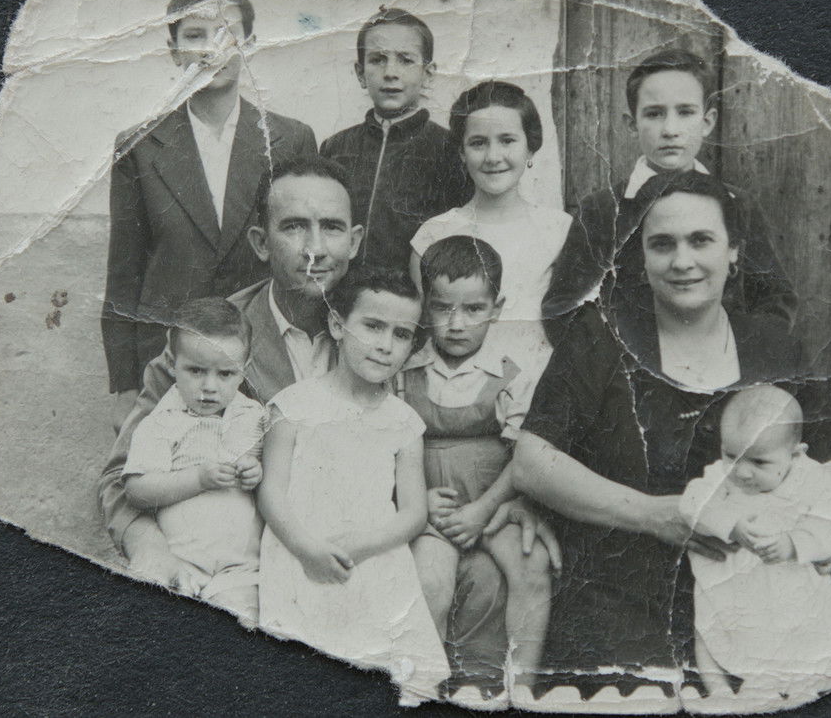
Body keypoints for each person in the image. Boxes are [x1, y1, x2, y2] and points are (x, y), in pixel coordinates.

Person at [97, 157, 514, 683]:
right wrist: (152, 548)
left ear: (356, 240)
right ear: (261, 242)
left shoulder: (391, 329)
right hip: (257, 545)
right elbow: (121, 474)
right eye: (294, 227)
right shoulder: (216, 339)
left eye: (332, 228)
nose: (315, 248)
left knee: (457, 582)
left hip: (372, 537)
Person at [510, 170, 805, 699]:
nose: (683, 261)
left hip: (746, 596)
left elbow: (808, 472)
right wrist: (653, 515)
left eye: (701, 241)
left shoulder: (771, 349)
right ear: (641, 259)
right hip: (618, 596)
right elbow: (533, 459)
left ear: (734, 251)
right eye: (662, 244)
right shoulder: (602, 334)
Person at [102, 0, 317, 427]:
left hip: (263, 352)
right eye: (195, 35)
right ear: (173, 50)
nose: (211, 48)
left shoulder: (291, 139)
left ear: (251, 45)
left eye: (227, 34)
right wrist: (126, 384)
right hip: (169, 357)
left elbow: (301, 258)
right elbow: (124, 269)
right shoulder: (140, 145)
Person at [257, 266, 449, 700]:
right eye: (373, 326)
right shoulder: (293, 406)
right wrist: (309, 549)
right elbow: (270, 492)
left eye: (402, 335)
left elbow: (414, 512)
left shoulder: (403, 422)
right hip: (300, 551)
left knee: (382, 675)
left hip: (372, 556)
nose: (385, 345)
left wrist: (358, 548)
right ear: (337, 325)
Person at [400, 236, 557, 690]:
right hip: (432, 512)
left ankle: (521, 686)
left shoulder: (509, 374)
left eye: (473, 309)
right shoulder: (406, 371)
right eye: (441, 308)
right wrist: (419, 503)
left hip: (494, 506)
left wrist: (484, 510)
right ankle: (419, 686)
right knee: (429, 577)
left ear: (497, 307)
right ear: (424, 306)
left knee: (532, 563)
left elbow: (524, 455)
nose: (455, 324)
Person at [544, 49, 796, 330]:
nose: (670, 129)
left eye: (685, 112)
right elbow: (562, 306)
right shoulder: (602, 210)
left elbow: (776, 300)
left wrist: (734, 355)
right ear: (632, 124)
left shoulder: (738, 204)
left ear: (708, 121)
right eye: (654, 114)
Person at [679, 385, 831, 700]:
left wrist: (794, 543)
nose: (741, 472)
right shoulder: (722, 477)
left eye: (759, 462)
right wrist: (729, 525)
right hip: (734, 582)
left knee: (804, 634)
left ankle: (803, 689)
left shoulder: (811, 479)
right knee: (710, 626)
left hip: (789, 582)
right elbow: (691, 501)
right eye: (731, 456)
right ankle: (718, 689)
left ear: (795, 454)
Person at [120, 298, 266, 624]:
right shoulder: (161, 421)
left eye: (226, 373)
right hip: (179, 559)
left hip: (240, 566)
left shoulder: (254, 416)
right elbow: (137, 490)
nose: (209, 387)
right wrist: (197, 479)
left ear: (245, 366)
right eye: (196, 371)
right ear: (172, 363)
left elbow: (268, 476)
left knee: (244, 626)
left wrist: (254, 473)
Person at [410, 81, 572, 372]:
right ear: (461, 152)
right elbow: (423, 334)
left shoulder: (559, 230)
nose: (493, 157)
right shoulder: (433, 234)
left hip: (538, 386)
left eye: (507, 140)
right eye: (478, 143)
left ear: (531, 148)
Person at [320, 7, 472, 271]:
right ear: (360, 73)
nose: (390, 72)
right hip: (344, 297)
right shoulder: (335, 148)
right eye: (378, 59)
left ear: (428, 74)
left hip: (412, 300)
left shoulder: (449, 148)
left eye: (405, 59)